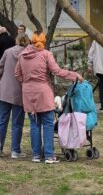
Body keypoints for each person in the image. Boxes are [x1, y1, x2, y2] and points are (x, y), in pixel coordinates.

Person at [15, 32, 83, 164]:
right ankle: (49, 155)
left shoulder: (22, 56)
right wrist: (75, 75)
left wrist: (26, 83)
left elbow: (17, 74)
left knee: (34, 124)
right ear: (43, 43)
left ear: (31, 42)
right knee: (47, 124)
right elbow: (57, 71)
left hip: (28, 93)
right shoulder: (46, 54)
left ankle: (36, 155)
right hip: (43, 92)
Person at [0, 33, 30, 158]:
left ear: (16, 40)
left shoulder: (8, 52)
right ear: (27, 42)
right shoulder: (28, 54)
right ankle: (15, 150)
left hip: (4, 90)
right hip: (20, 92)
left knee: (1, 121)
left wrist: (3, 79)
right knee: (17, 123)